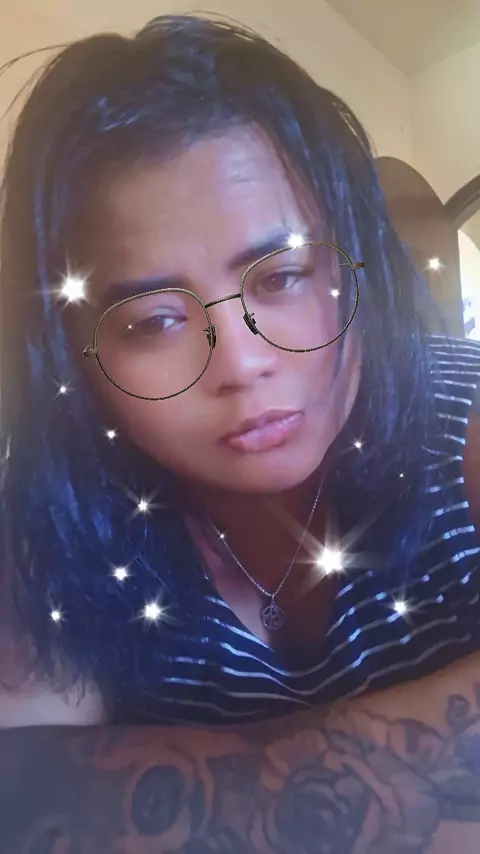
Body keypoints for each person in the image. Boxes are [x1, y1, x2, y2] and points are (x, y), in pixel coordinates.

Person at [0, 12, 479, 733]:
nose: (243, 363)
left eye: (282, 277)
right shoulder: (53, 529)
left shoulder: (463, 416)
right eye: (153, 322)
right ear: (70, 358)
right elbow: (33, 780)